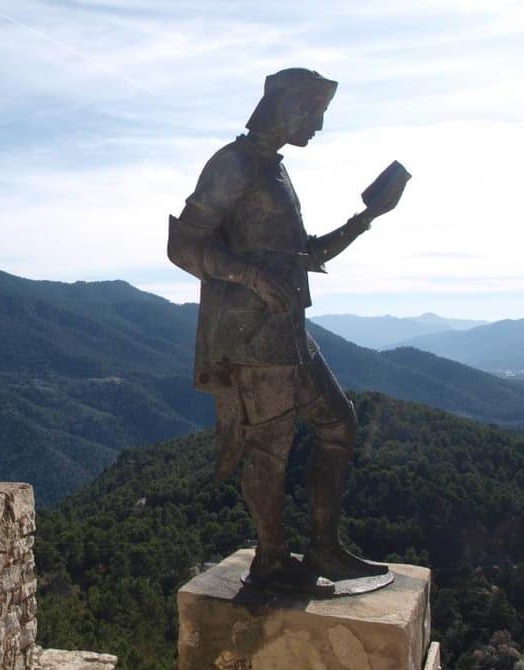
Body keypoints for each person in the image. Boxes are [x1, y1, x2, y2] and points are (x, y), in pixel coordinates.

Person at [167, 68, 406, 594]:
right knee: (269, 452)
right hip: (254, 340)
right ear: (286, 108)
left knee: (339, 425)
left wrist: (367, 217)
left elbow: (304, 256)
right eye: (314, 112)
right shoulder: (234, 164)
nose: (318, 125)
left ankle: (322, 545)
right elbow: (182, 245)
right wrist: (249, 274)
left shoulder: (272, 170)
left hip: (288, 334)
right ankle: (271, 559)